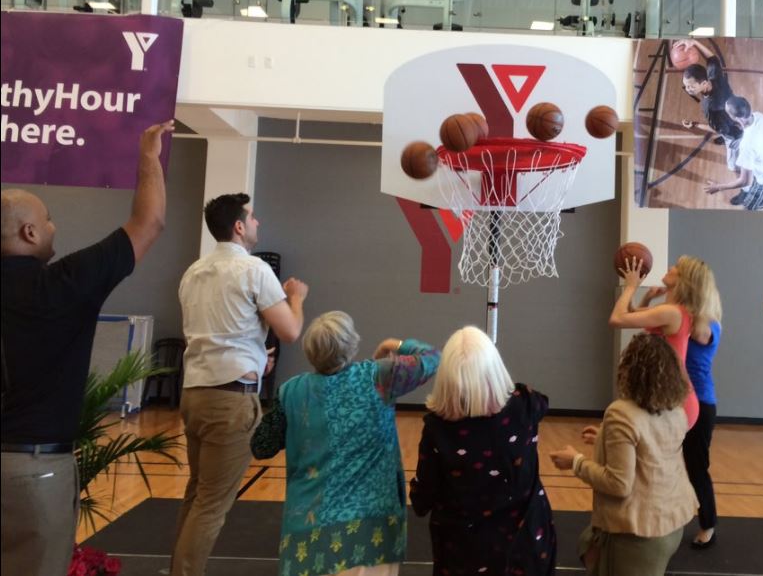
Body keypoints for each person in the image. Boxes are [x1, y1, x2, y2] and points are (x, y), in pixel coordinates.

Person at [1, 120, 174, 576]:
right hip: (33, 471)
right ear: (29, 234)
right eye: (49, 218)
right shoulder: (61, 285)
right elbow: (148, 222)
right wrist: (148, 157)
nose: (54, 227)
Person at [170, 193, 308, 576]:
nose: (258, 222)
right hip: (229, 402)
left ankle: (179, 568)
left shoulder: (193, 272)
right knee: (212, 504)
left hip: (195, 393)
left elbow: (217, 335)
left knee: (198, 493)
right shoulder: (254, 271)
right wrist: (295, 297)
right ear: (239, 226)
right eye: (253, 217)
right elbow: (291, 330)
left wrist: (256, 359)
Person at [251, 311, 440, 576]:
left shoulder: (291, 392)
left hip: (309, 535)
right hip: (371, 531)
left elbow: (260, 446)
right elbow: (432, 358)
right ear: (351, 345)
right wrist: (392, 345)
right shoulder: (379, 377)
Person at [409, 326, 556, 575]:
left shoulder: (438, 430)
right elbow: (542, 402)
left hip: (463, 553)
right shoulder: (526, 405)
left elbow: (422, 501)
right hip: (527, 546)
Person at [549, 333, 697, 576]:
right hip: (671, 524)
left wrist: (575, 461)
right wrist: (605, 440)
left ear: (630, 369)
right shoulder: (675, 411)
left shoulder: (621, 413)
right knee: (590, 545)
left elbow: (618, 484)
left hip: (640, 533)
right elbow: (651, 447)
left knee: (593, 551)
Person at [608, 255, 718, 430]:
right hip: (671, 393)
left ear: (683, 280)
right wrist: (647, 297)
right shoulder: (675, 311)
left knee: (654, 455)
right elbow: (632, 312)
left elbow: (617, 319)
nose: (670, 267)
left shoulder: (672, 313)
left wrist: (631, 286)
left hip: (676, 398)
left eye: (676, 267)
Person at [682, 266, 723, 549]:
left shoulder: (706, 324)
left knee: (697, 468)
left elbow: (695, 331)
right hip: (673, 402)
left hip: (700, 404)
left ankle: (708, 524)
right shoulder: (681, 314)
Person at [704, 96, 763, 211]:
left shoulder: (747, 147)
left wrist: (718, 187)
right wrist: (741, 140)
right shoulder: (760, 116)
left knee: (749, 208)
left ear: (734, 117)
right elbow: (757, 134)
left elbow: (745, 181)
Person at [676, 38, 744, 171]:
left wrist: (695, 125)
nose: (688, 90)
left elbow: (716, 129)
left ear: (703, 83)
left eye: (691, 87)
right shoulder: (714, 75)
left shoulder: (710, 107)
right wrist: (694, 42)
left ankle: (736, 167)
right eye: (686, 86)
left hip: (732, 132)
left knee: (731, 162)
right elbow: (712, 58)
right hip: (736, 113)